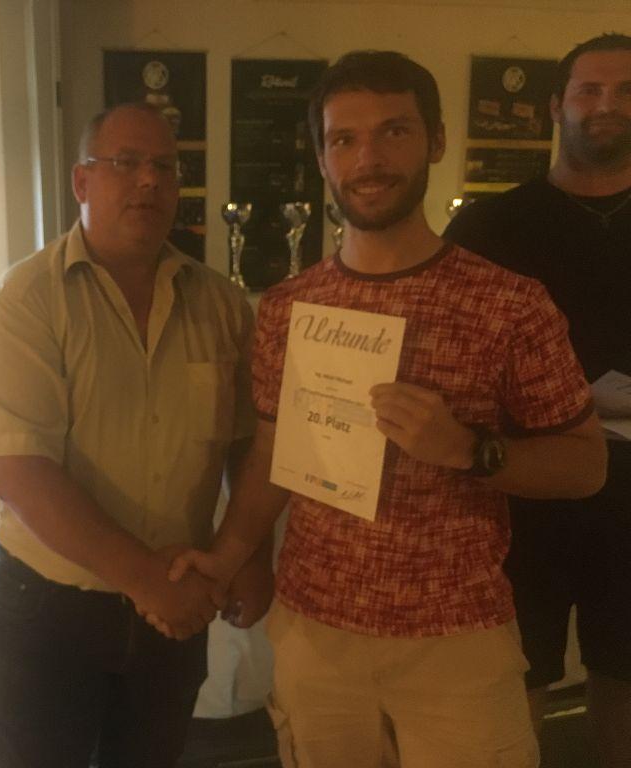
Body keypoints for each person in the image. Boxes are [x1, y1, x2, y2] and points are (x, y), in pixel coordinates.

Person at [161, 51, 608, 768]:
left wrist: (469, 450)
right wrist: (225, 555)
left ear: (436, 140)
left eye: (394, 131)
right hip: (315, 635)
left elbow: (586, 465)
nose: (369, 158)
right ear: (322, 158)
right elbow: (273, 451)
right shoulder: (287, 307)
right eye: (345, 139)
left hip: (457, 640)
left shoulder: (510, 303)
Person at [0, 102, 262, 768]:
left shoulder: (221, 305)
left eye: (164, 166)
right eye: (125, 162)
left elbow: (246, 441)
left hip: (173, 607)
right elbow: (17, 470)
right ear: (82, 181)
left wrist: (248, 554)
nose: (148, 180)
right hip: (50, 610)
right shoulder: (25, 303)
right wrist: (148, 581)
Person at [445, 33, 631, 768]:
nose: (608, 105)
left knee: (625, 674)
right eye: (590, 90)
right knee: (514, 677)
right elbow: (447, 355)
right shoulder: (489, 226)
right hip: (524, 486)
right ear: (556, 106)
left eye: (627, 91)